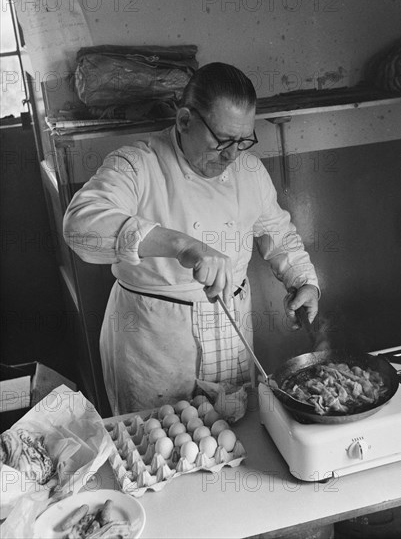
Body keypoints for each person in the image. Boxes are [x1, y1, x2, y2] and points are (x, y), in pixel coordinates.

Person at [63, 62, 320, 415]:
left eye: (243, 140)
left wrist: (303, 281)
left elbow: (278, 233)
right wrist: (183, 245)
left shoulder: (248, 170)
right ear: (185, 120)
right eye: (222, 140)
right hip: (156, 344)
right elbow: (81, 225)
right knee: (164, 451)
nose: (232, 154)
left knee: (238, 442)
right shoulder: (137, 164)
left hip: (232, 331)